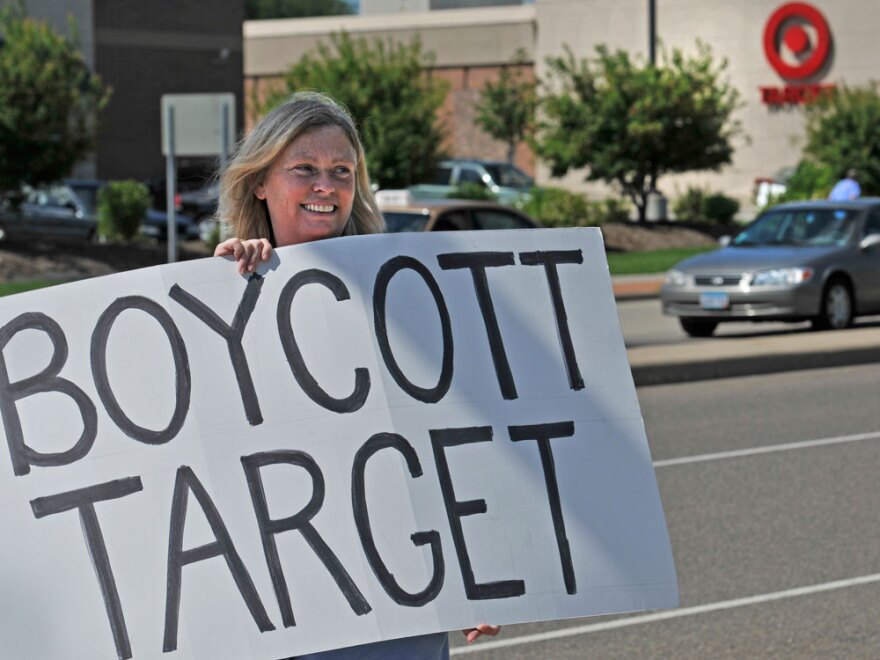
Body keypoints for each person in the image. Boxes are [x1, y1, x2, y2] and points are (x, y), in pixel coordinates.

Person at [213, 91, 500, 659]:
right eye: (305, 170)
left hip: (399, 607)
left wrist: (476, 569)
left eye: (341, 172)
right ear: (260, 183)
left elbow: (446, 438)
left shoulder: (402, 297)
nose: (326, 186)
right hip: (285, 607)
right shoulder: (218, 297)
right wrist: (229, 287)